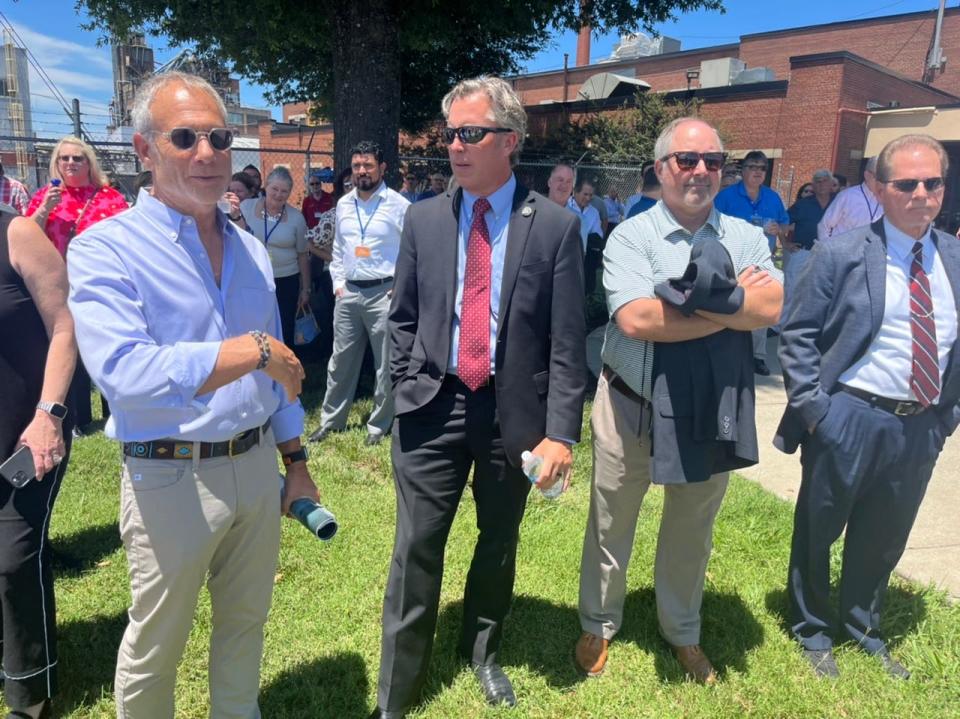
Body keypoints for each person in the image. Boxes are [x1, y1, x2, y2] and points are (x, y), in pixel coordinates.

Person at [66, 71, 319, 718]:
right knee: (158, 645)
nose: (206, 153)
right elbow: (125, 373)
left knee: (245, 628)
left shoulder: (252, 250)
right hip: (169, 477)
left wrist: (297, 463)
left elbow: (280, 375)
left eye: (219, 137)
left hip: (257, 468)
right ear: (145, 150)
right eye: (185, 137)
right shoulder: (106, 249)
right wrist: (254, 348)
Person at [369, 76, 586, 719]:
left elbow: (568, 340)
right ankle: (396, 693)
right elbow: (402, 314)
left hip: (511, 414)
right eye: (452, 135)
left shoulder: (555, 227)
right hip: (432, 405)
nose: (456, 147)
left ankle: (482, 650)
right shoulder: (424, 217)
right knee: (416, 548)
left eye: (471, 134)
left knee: (499, 539)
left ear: (509, 141)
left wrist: (561, 432)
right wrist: (405, 383)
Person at [575, 117, 782, 684]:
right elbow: (637, 319)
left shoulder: (745, 237)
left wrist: (683, 305)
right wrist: (726, 309)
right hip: (629, 404)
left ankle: (683, 632)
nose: (699, 171)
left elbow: (769, 310)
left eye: (712, 161)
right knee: (612, 518)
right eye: (686, 161)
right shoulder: (631, 236)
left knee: (693, 525)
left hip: (708, 407)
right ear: (661, 168)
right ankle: (598, 621)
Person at [776, 134, 959, 680]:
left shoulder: (953, 255)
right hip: (849, 416)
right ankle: (811, 628)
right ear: (879, 187)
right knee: (819, 527)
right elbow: (797, 333)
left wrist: (946, 417)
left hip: (920, 423)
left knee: (885, 535)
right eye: (907, 184)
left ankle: (862, 625)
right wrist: (816, 411)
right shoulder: (842, 251)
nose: (922, 194)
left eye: (933, 183)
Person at [0, 211, 76, 719]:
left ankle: (31, 694)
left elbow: (67, 324)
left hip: (27, 430)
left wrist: (49, 414)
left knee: (12, 559)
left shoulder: (18, 234)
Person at [308, 142, 409, 447]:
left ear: (383, 168)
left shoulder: (399, 206)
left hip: (384, 294)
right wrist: (338, 283)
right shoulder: (343, 205)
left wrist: (399, 286)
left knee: (385, 365)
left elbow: (412, 252)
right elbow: (338, 248)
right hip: (349, 293)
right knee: (340, 362)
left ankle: (378, 426)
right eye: (356, 166)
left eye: (368, 166)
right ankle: (331, 422)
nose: (361, 172)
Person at [27, 136, 128, 437]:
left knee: (110, 343)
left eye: (77, 158)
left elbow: (124, 241)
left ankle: (115, 412)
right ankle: (79, 418)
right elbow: (25, 237)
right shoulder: (44, 196)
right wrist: (43, 209)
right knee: (68, 343)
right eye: (64, 159)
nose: (70, 163)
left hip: (102, 283)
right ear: (56, 164)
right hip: (57, 283)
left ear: (89, 163)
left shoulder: (109, 197)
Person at [714, 150, 790, 376]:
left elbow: (785, 224)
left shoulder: (773, 197)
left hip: (761, 262)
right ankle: (724, 352)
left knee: (759, 309)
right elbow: (713, 224)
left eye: (762, 168)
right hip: (732, 261)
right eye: (753, 167)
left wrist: (779, 230)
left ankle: (757, 357)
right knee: (727, 307)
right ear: (743, 169)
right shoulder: (726, 197)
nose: (758, 172)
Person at [239, 166, 311, 351]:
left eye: (284, 191)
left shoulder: (296, 218)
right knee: (255, 325)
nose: (278, 194)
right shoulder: (246, 208)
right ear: (266, 187)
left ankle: (283, 368)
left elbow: (303, 255)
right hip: (253, 279)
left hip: (286, 280)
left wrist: (305, 289)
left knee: (283, 326)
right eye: (274, 189)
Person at [784, 168, 834, 295]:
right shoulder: (802, 204)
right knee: (792, 293)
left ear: (831, 184)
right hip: (803, 253)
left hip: (829, 256)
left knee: (821, 295)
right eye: (818, 181)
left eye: (825, 181)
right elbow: (781, 222)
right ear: (813, 185)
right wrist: (785, 243)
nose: (821, 184)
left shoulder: (838, 202)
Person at [817, 156, 883, 240]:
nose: (882, 182)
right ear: (867, 175)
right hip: (841, 251)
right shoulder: (847, 196)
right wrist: (827, 251)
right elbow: (824, 226)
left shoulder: (888, 202)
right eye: (879, 177)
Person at [567, 177, 602, 253]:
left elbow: (598, 236)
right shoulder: (565, 207)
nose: (588, 198)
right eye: (585, 194)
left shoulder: (594, 213)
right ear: (576, 191)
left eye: (591, 195)